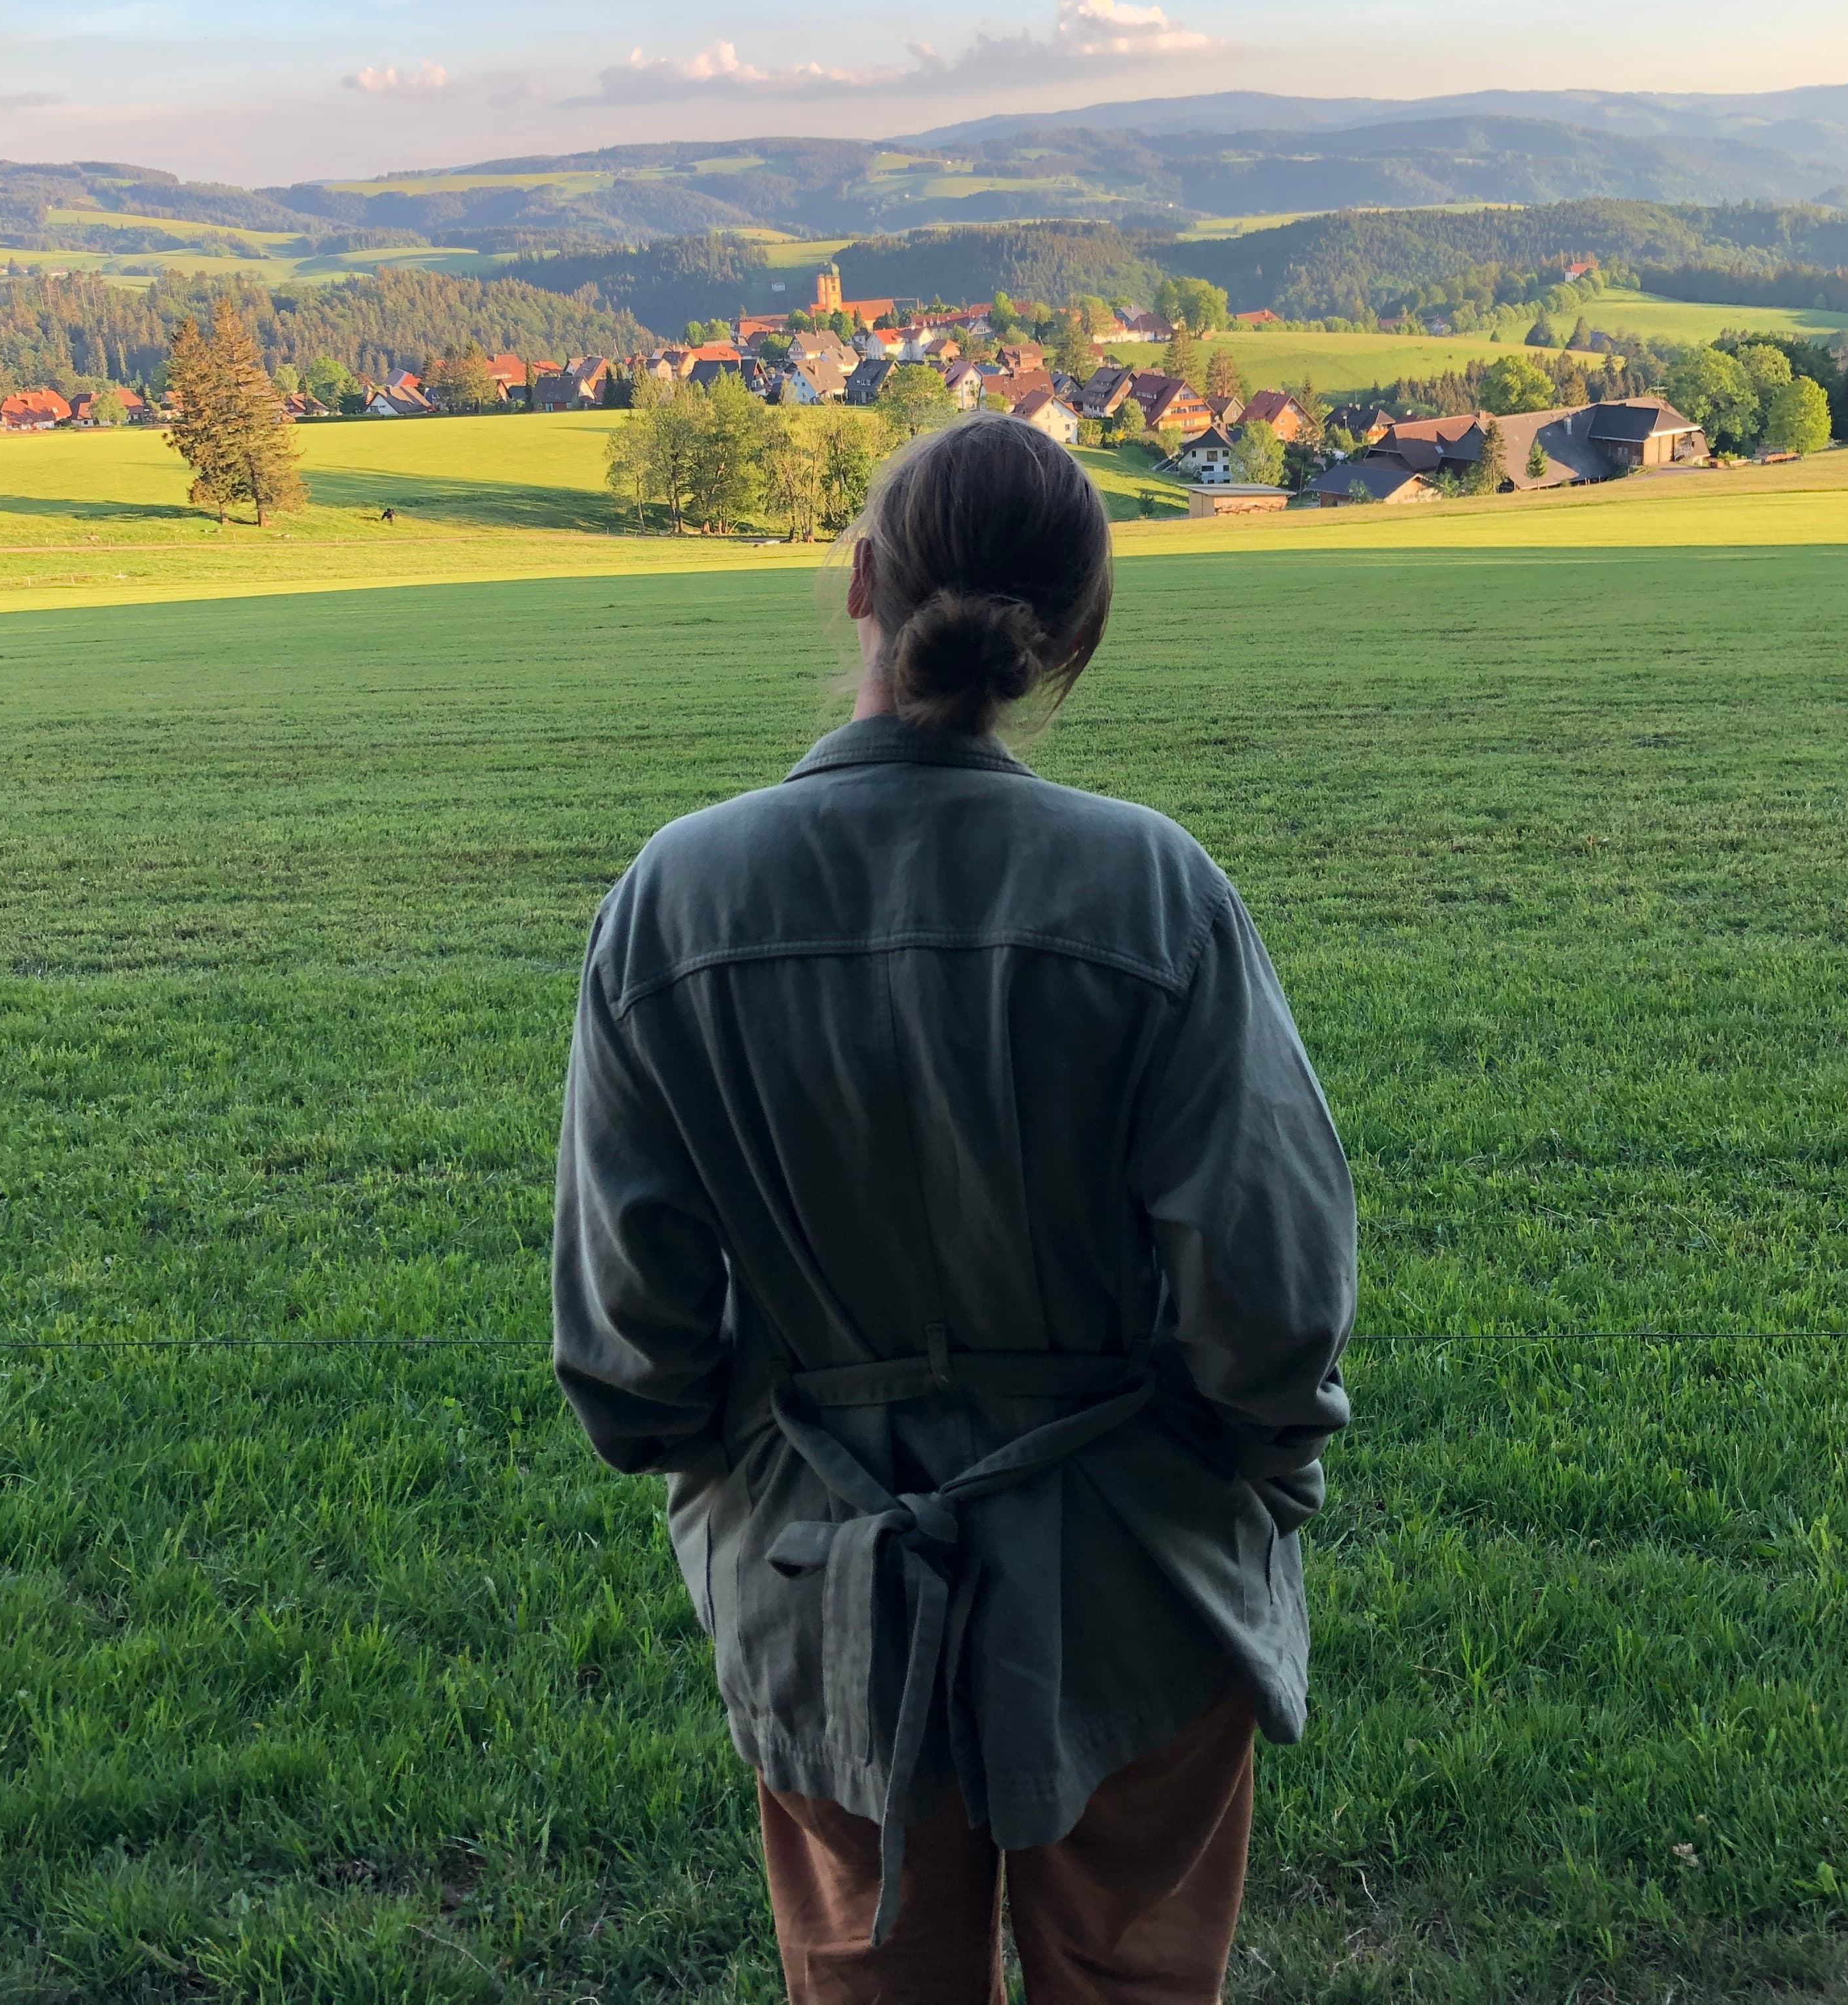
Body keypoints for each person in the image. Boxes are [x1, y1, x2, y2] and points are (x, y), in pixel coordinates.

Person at [553, 416, 1356, 2002]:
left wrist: (757, 1472)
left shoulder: (675, 899)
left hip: (821, 1585)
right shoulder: (1157, 894)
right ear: (1072, 636)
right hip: (1140, 1588)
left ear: (862, 583)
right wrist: (1250, 1469)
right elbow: (1270, 1296)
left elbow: (629, 1357)